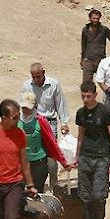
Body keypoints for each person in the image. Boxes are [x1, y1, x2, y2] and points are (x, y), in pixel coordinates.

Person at [74, 81, 110, 219]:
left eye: (88, 96)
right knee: (85, 197)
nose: (85, 99)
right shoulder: (80, 113)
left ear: (95, 95)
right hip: (85, 156)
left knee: (98, 196)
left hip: (101, 157)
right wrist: (76, 157)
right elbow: (80, 136)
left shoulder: (105, 112)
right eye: (83, 96)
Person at [21, 62, 70, 190]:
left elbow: (60, 104)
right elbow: (24, 106)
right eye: (34, 77)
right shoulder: (27, 86)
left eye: (38, 76)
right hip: (32, 122)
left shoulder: (54, 85)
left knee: (51, 153)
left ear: (44, 73)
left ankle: (54, 184)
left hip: (49, 122)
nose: (36, 79)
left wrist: (63, 122)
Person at [81, 8, 110, 82]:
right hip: (88, 60)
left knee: (106, 81)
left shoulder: (104, 30)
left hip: (101, 60)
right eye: (94, 18)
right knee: (86, 82)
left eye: (97, 18)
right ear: (90, 18)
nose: (95, 20)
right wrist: (82, 58)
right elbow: (83, 45)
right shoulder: (85, 30)